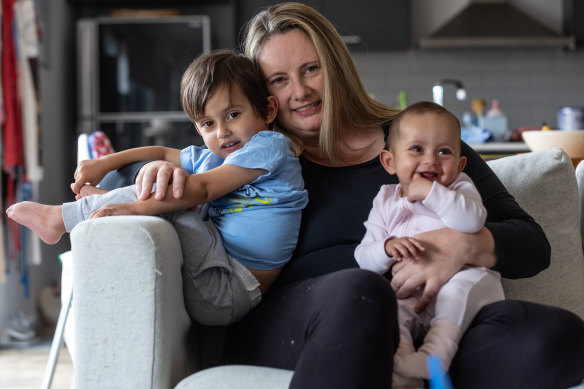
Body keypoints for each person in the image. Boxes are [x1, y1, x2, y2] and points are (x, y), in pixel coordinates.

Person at [93, 3, 584, 388]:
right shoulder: (249, 157)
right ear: (261, 98)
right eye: (278, 81)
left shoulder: (418, 144)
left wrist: (463, 247)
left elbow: (531, 245)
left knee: (550, 334)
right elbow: (153, 179)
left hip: (420, 323)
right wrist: (152, 169)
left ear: (338, 66)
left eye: (312, 69)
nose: (301, 92)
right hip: (298, 325)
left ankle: (405, 372)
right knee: (360, 290)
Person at [6, 49, 308, 326]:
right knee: (168, 181)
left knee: (179, 195)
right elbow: (163, 153)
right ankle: (106, 201)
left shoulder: (270, 147)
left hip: (230, 291)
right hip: (215, 264)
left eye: (233, 115)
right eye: (207, 124)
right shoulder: (216, 156)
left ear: (267, 111)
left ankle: (62, 219)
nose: (222, 131)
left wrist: (132, 208)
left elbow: (201, 190)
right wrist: (106, 163)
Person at [354, 101, 505, 387]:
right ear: (390, 162)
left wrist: (433, 193)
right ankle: (403, 368)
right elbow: (363, 257)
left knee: (458, 290)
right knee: (390, 308)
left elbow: (472, 221)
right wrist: (386, 248)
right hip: (413, 291)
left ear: (460, 164)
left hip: (468, 282)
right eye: (416, 149)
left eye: (444, 151)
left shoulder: (460, 188)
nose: (431, 160)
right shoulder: (386, 200)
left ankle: (435, 356)